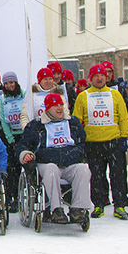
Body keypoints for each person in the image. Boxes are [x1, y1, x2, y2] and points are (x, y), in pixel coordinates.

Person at [17, 92, 91, 225]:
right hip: (46, 163)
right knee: (52, 169)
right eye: (55, 105)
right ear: (47, 108)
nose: (59, 108)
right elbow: (23, 145)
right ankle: (55, 209)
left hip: (69, 162)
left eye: (61, 104)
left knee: (83, 169)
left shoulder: (72, 123)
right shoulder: (36, 125)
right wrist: (25, 154)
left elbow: (82, 144)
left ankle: (78, 208)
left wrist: (73, 154)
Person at [72, 64, 128, 219]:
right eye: (96, 76)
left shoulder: (115, 94)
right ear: (90, 78)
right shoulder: (83, 96)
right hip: (93, 142)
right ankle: (98, 204)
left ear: (107, 77)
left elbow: (123, 116)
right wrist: (80, 140)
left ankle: (120, 205)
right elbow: (77, 120)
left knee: (117, 175)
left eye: (102, 75)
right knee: (97, 176)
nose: (99, 78)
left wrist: (124, 137)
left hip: (113, 140)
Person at [0, 71, 25, 212]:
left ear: (16, 82)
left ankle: (22, 196)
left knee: (26, 167)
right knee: (12, 169)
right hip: (11, 136)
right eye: (6, 83)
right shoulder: (3, 98)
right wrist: (10, 139)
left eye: (11, 82)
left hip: (24, 135)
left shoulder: (24, 94)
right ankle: (12, 196)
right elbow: (3, 119)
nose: (9, 85)